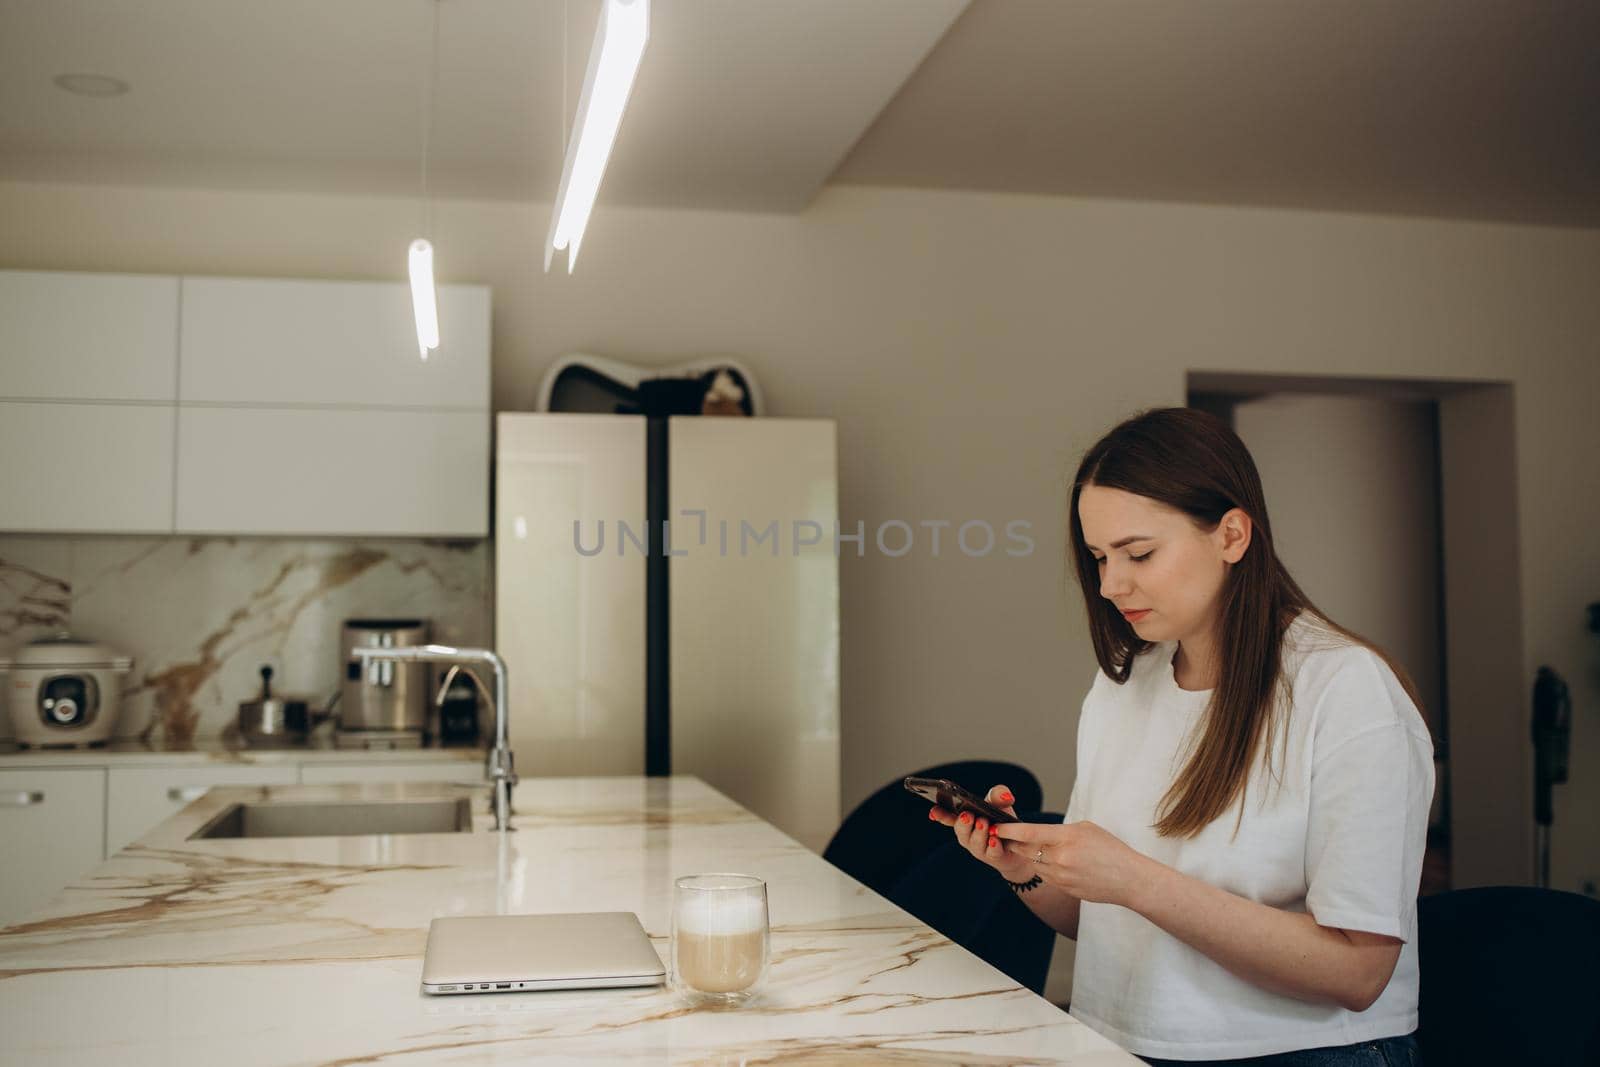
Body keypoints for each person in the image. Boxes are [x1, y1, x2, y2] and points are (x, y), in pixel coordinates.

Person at [929, 407, 1433, 1066]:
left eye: (1138, 553)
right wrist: (1024, 870)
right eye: (1099, 557)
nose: (1111, 584)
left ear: (1231, 534)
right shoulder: (1124, 684)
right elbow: (1099, 918)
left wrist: (1136, 878)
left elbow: (1358, 973)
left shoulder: (1346, 690)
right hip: (1119, 1042)